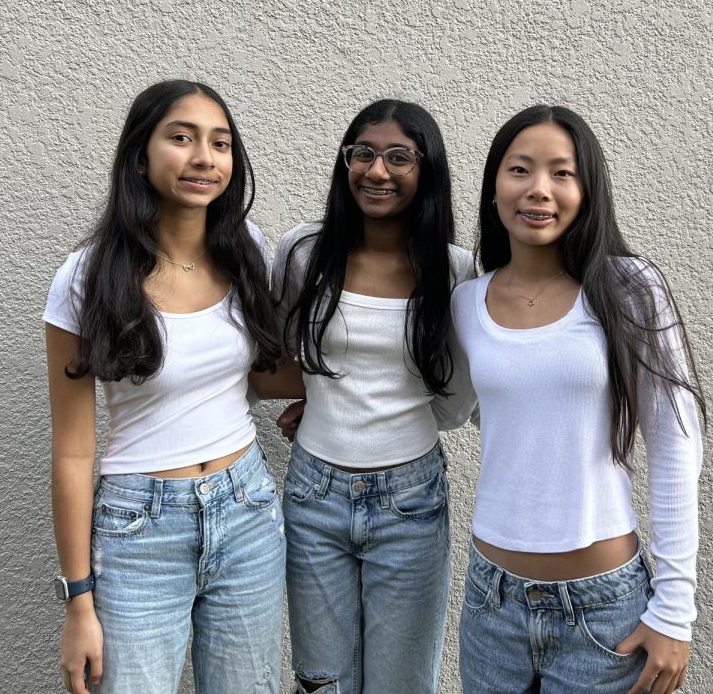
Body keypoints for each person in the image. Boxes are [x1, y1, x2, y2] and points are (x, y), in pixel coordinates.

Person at [43, 80, 299, 694]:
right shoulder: (87, 277)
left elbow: (258, 378)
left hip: (247, 511)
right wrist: (79, 601)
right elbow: (74, 451)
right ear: (140, 156)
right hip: (140, 527)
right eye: (181, 138)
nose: (203, 158)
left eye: (220, 143)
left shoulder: (247, 251)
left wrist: (332, 389)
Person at [451, 105, 706, 694]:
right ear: (494, 187)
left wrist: (674, 609)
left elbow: (676, 443)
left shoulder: (628, 287)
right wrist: (318, 399)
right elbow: (451, 406)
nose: (539, 189)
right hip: (491, 604)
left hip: (604, 609)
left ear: (587, 190)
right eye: (520, 170)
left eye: (561, 173)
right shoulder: (467, 302)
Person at [271, 99, 475, 694]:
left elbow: (455, 401)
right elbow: (286, 351)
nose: (376, 171)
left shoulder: (454, 270)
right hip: (313, 495)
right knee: (321, 681)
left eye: (398, 157)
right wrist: (325, 395)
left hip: (410, 500)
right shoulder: (303, 252)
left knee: (402, 684)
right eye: (362, 153)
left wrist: (380, 410)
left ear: (426, 168)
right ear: (345, 162)